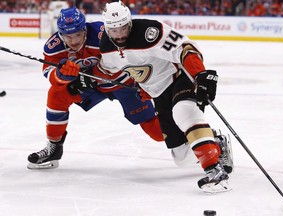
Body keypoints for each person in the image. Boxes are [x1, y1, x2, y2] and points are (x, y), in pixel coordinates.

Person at [94, 1, 233, 193]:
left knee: (184, 111)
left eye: (124, 28)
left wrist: (199, 74)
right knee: (181, 157)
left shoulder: (149, 31)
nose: (120, 34)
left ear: (130, 23)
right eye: (114, 30)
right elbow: (109, 71)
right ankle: (216, 143)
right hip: (158, 93)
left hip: (178, 78)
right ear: (107, 28)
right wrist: (83, 79)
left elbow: (185, 48)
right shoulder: (106, 48)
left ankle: (214, 171)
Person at [27, 7, 164, 170]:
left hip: (123, 83)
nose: (73, 41)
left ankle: (191, 137)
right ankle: (54, 147)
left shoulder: (102, 34)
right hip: (91, 86)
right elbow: (48, 72)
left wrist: (145, 83)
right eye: (68, 36)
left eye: (77, 35)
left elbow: (128, 59)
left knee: (156, 132)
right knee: (57, 94)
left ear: (84, 28)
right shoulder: (54, 46)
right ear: (60, 34)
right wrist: (62, 76)